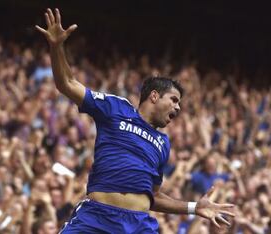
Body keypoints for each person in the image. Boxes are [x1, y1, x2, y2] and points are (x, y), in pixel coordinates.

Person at [35, 8, 235, 233]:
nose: (178, 107)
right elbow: (67, 84)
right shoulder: (114, 108)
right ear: (154, 95)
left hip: (138, 225)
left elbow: (154, 196)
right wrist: (56, 47)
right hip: (95, 218)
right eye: (174, 99)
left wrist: (193, 207)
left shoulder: (162, 144)